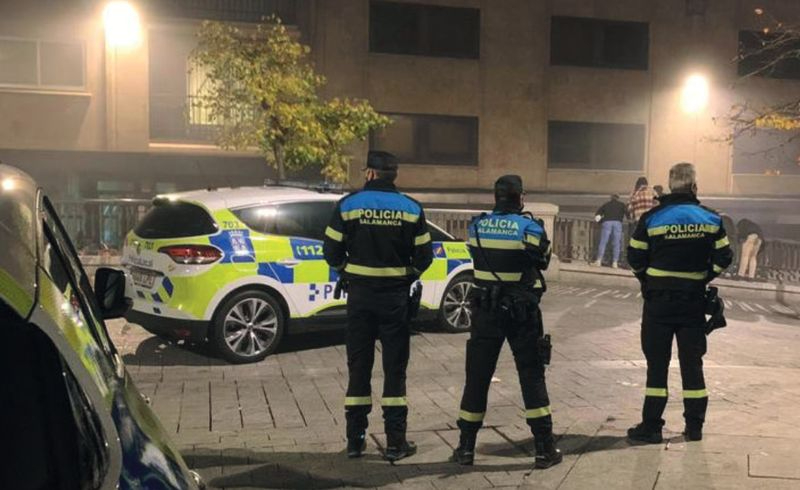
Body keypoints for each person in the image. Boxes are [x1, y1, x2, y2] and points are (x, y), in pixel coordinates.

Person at [323, 150, 433, 461]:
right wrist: (406, 275)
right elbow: (425, 257)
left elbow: (330, 250)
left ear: (370, 173)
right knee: (395, 370)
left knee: (359, 368)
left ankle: (356, 441)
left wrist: (346, 271)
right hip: (395, 300)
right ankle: (396, 442)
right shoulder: (411, 208)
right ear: (393, 175)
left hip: (359, 298)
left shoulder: (348, 205)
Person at [451, 175, 562, 469]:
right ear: (520, 197)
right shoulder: (529, 228)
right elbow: (543, 261)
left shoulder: (477, 226)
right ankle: (544, 448)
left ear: (495, 196)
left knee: (477, 377)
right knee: (531, 375)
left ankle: (465, 448)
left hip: (485, 310)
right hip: (521, 312)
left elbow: (475, 255)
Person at [626, 162, 732, 444]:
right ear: (694, 187)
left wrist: (648, 281)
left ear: (671, 186)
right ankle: (694, 427)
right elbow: (725, 258)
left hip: (658, 304)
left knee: (657, 365)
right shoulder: (710, 218)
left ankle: (651, 427)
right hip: (693, 303)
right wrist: (703, 277)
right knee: (692, 365)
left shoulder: (652, 218)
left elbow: (635, 257)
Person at [591, 194, 626, 268]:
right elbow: (628, 214)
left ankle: (599, 260)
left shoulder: (606, 204)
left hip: (607, 222)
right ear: (618, 198)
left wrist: (600, 222)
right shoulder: (622, 205)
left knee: (603, 242)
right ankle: (615, 262)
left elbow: (597, 215)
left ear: (611, 198)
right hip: (617, 223)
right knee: (616, 243)